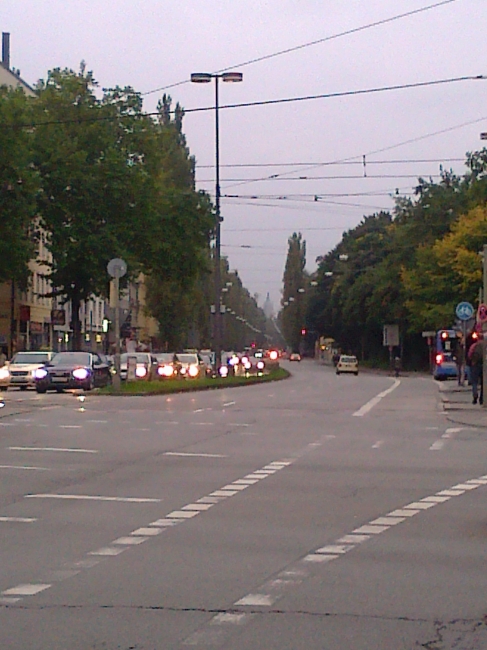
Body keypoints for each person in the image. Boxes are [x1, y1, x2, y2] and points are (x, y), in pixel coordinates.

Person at [468, 334, 484, 405]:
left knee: (474, 381)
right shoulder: (485, 345)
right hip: (484, 365)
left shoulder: (474, 345)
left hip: (475, 365)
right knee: (483, 382)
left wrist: (471, 361)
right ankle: (482, 398)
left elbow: (470, 354)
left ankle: (475, 396)